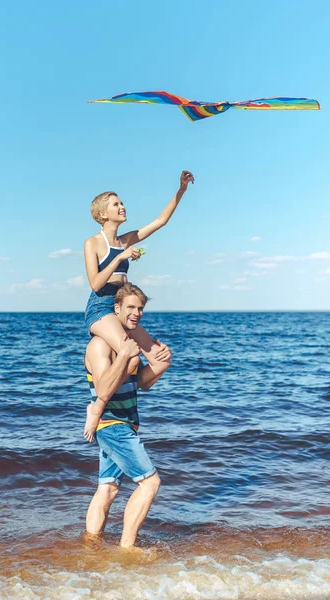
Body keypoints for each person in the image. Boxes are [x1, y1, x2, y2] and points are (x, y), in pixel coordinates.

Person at [84, 283, 171, 548]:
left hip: (126, 423)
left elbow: (141, 383)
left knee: (108, 488)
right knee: (150, 483)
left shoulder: (129, 344)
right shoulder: (99, 345)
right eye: (130, 307)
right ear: (116, 309)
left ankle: (90, 546)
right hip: (112, 425)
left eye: (140, 308)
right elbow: (102, 389)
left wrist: (161, 364)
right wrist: (124, 356)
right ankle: (127, 548)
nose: (136, 313)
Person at [84, 170, 194, 373]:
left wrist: (181, 190)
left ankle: (130, 393)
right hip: (101, 306)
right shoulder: (93, 243)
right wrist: (119, 257)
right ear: (102, 214)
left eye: (122, 203)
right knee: (130, 353)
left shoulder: (124, 240)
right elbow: (95, 283)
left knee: (160, 360)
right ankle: (99, 403)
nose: (122, 207)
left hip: (123, 304)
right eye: (115, 204)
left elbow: (160, 221)